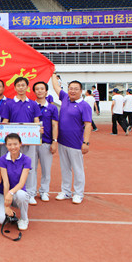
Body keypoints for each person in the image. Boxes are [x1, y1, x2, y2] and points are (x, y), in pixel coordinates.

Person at [51, 73, 92, 204]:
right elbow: (56, 86)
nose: (72, 91)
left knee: (77, 169)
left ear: (81, 91)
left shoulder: (84, 106)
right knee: (65, 168)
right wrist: (52, 73)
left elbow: (88, 125)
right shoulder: (65, 98)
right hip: (62, 141)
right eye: (70, 88)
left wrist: (86, 142)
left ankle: (79, 193)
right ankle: (66, 191)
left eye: (75, 89)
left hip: (76, 143)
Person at [0, 77, 41, 205]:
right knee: (12, 168)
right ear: (15, 88)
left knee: (31, 167)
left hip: (30, 141)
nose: (21, 87)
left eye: (23, 85)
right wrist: (0, 129)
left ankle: (31, 193)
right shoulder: (9, 104)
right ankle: (11, 191)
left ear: (27, 87)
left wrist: (39, 130)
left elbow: (36, 121)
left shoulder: (33, 104)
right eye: (18, 85)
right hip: (13, 143)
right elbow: (5, 121)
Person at [0, 133, 31, 231]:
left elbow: (21, 183)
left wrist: (11, 193)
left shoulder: (27, 160)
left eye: (15, 144)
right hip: (4, 193)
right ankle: (11, 213)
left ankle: (24, 219)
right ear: (6, 145)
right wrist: (6, 205)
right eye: (9, 144)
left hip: (17, 193)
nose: (13, 147)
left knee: (22, 195)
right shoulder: (2, 160)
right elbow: (6, 182)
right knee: (1, 219)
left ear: (20, 144)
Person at [30, 81, 59, 203]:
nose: (40, 91)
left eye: (42, 88)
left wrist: (54, 141)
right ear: (34, 91)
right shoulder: (30, 105)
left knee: (46, 168)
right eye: (37, 89)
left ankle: (44, 191)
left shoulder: (52, 107)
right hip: (31, 142)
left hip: (46, 142)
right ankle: (31, 192)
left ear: (46, 91)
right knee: (31, 168)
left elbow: (55, 125)